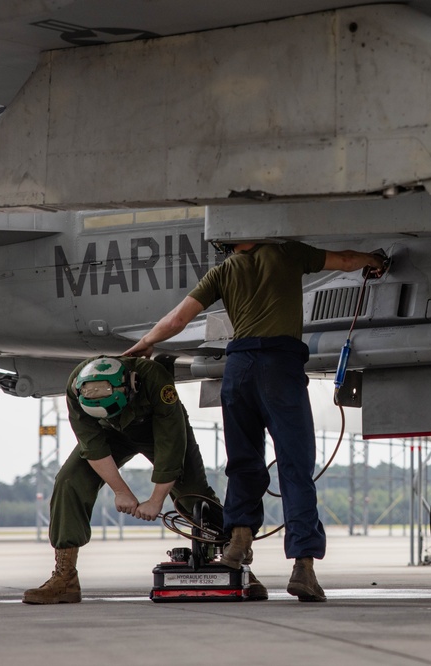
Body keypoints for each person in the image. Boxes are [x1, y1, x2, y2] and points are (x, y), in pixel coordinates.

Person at [123, 241, 387, 602]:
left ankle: (238, 544)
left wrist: (146, 343)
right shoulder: (287, 252)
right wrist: (373, 259)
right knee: (295, 466)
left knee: (244, 463)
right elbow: (344, 259)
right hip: (280, 367)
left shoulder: (223, 271)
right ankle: (303, 568)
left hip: (239, 370)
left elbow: (177, 320)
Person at [22, 355, 258, 604]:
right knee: (69, 481)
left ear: (129, 386)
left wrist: (156, 500)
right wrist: (121, 491)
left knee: (194, 494)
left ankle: (238, 567)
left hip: (157, 426)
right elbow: (92, 446)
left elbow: (171, 447)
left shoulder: (155, 379)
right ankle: (65, 578)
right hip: (109, 430)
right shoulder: (76, 387)